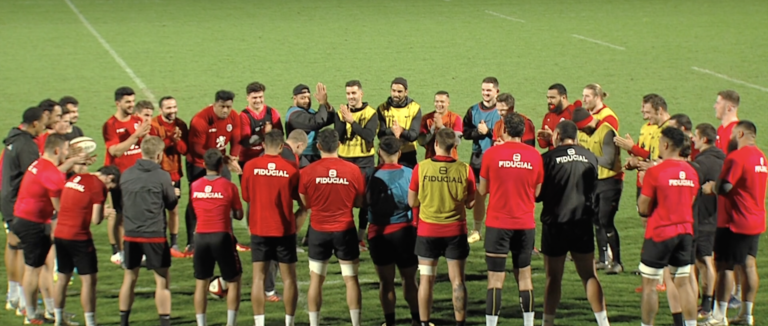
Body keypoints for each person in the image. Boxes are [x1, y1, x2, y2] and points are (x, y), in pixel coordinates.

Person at [537, 120, 610, 326]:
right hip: (582, 222)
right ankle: (603, 322)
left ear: (557, 135)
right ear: (576, 137)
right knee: (589, 275)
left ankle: (547, 323)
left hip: (555, 223)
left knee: (553, 277)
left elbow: (538, 194)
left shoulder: (547, 158)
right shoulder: (590, 157)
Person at [478, 113, 543, 326]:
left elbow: (483, 189)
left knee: (495, 279)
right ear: (523, 132)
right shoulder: (535, 156)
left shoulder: (491, 154)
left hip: (498, 224)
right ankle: (528, 324)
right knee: (524, 276)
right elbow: (537, 192)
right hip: (525, 224)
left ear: (504, 130)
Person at [408, 128, 476, 326]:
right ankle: (460, 323)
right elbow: (470, 203)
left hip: (428, 231)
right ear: (454, 147)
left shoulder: (421, 168)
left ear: (435, 144)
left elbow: (412, 202)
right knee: (457, 281)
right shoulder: (464, 169)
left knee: (426, 280)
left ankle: (424, 322)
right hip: (455, 231)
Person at [702, 121, 766, 326]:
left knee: (725, 267)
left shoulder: (737, 157)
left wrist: (712, 186)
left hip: (734, 221)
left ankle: (720, 316)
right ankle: (747, 315)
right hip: (755, 219)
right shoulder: (761, 157)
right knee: (748, 264)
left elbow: (726, 186)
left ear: (740, 133)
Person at [299, 129, 365, 326]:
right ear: (339, 145)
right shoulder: (353, 170)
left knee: (316, 281)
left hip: (318, 231)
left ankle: (314, 323)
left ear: (318, 146)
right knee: (351, 279)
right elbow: (360, 202)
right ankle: (356, 324)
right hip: (345, 231)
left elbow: (305, 203)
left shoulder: (307, 172)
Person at [637, 127, 699, 326]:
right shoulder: (692, 171)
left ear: (665, 145)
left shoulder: (655, 171)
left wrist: (644, 210)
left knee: (649, 285)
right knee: (683, 282)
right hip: (685, 232)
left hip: (660, 232)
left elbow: (644, 206)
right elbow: (690, 200)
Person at [117, 136, 178, 326]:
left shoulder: (126, 174)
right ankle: (164, 322)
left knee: (129, 278)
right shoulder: (162, 176)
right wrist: (174, 194)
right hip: (154, 236)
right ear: (159, 155)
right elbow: (170, 204)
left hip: (131, 234)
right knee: (162, 281)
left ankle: (124, 321)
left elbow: (121, 204)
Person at [242, 131, 301, 326]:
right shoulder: (291, 168)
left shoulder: (250, 166)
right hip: (283, 229)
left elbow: (247, 197)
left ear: (264, 145)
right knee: (289, 279)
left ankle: (259, 323)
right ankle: (289, 322)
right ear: (281, 146)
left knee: (258, 277)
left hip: (259, 228)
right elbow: (299, 199)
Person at [53, 166, 121, 326]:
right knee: (89, 280)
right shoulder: (98, 187)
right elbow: (96, 220)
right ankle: (90, 322)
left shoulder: (74, 179)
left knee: (62, 278)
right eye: (111, 187)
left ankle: (58, 319)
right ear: (110, 178)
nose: (109, 190)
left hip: (60, 233)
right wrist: (103, 213)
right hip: (79, 237)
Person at [12, 134, 69, 324]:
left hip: (24, 219)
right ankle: (31, 314)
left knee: (43, 266)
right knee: (33, 269)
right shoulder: (50, 173)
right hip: (33, 224)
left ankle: (47, 311)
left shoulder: (38, 165)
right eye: (66, 149)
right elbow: (61, 207)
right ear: (57, 150)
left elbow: (52, 178)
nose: (67, 153)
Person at [366, 136, 419, 326]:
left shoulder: (372, 175)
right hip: (405, 232)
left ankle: (390, 323)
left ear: (380, 152)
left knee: (386, 282)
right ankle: (416, 320)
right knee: (410, 279)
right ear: (399, 153)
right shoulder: (410, 173)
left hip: (379, 233)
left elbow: (364, 203)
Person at [190, 149, 244, 326]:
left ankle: (201, 324)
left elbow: (194, 211)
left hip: (201, 237)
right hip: (222, 236)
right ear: (222, 166)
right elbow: (239, 215)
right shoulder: (229, 187)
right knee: (234, 280)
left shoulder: (194, 186)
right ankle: (230, 323)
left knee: (201, 283)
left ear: (204, 165)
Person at [186, 90, 242, 255]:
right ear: (214, 104)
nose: (225, 110)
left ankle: (230, 238)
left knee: (226, 199)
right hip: (199, 163)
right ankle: (191, 242)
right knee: (195, 201)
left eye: (228, 107)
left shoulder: (234, 117)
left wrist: (233, 157)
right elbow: (197, 148)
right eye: (222, 106)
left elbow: (236, 139)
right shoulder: (200, 120)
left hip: (220, 161)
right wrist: (221, 160)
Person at [1, 107, 46, 315]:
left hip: (7, 198)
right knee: (28, 255)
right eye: (44, 122)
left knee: (12, 246)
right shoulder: (27, 145)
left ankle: (14, 296)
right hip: (19, 204)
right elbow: (35, 176)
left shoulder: (12, 139)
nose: (45, 126)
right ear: (35, 123)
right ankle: (25, 304)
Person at [572, 107, 624, 274]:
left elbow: (608, 161)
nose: (582, 133)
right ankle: (603, 259)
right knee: (595, 220)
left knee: (606, 220)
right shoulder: (582, 133)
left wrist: (586, 154)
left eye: (582, 129)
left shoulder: (607, 132)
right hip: (592, 181)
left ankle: (617, 262)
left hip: (610, 181)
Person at [102, 86, 149, 265]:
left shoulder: (138, 120)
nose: (131, 105)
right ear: (117, 103)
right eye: (127, 102)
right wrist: (135, 136)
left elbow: (145, 146)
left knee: (139, 215)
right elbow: (115, 151)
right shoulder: (110, 125)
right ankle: (122, 253)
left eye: (132, 101)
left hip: (138, 176)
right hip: (119, 178)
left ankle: (138, 251)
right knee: (121, 217)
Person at [334, 80, 379, 251]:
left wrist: (352, 121)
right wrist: (345, 121)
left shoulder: (371, 113)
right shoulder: (340, 113)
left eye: (353, 93)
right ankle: (345, 236)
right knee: (344, 201)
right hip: (344, 160)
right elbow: (339, 136)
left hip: (364, 161)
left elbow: (368, 136)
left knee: (365, 202)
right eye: (348, 94)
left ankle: (360, 238)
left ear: (361, 94)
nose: (350, 97)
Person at [690, 123, 725, 319]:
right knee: (705, 261)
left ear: (704, 139)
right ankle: (707, 303)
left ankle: (706, 305)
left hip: (703, 218)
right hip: (719, 217)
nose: (693, 140)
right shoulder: (724, 159)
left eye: (696, 136)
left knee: (704, 261)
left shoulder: (702, 163)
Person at [462, 77, 500, 244]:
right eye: (483, 90)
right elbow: (466, 132)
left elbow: (510, 132)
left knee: (499, 196)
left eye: (489, 90)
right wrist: (480, 133)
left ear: (496, 92)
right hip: (478, 158)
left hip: (499, 158)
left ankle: (497, 228)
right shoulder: (472, 111)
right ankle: (477, 230)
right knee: (479, 195)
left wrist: (489, 132)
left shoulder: (503, 111)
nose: (485, 93)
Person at [150, 96, 189, 257]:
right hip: (157, 173)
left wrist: (176, 141)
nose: (172, 111)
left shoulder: (180, 124)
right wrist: (169, 139)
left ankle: (174, 244)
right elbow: (153, 149)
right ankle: (158, 242)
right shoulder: (153, 125)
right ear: (161, 110)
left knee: (173, 209)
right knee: (156, 210)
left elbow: (185, 150)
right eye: (168, 108)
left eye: (174, 107)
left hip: (174, 173)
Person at [285, 83, 334, 168]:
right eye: (303, 98)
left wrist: (326, 103)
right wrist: (321, 104)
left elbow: (330, 119)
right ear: (294, 98)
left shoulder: (308, 112)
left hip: (313, 155)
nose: (307, 101)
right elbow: (317, 123)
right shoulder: (294, 115)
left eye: (308, 97)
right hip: (301, 156)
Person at [376, 77, 422, 168]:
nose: (396, 94)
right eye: (393, 91)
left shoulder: (414, 108)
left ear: (406, 92)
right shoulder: (382, 108)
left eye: (399, 91)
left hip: (408, 155)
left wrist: (401, 131)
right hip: (387, 154)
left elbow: (414, 135)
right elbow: (380, 135)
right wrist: (392, 130)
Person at [239, 81, 283, 169]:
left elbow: (280, 135)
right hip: (248, 160)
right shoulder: (243, 116)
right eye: (254, 98)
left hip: (268, 158)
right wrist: (264, 133)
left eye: (261, 97)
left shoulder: (272, 112)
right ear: (247, 98)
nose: (258, 100)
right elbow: (246, 142)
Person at [418, 90, 463, 160]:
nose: (439, 104)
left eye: (442, 102)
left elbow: (457, 141)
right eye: (436, 101)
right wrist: (433, 129)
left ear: (448, 103)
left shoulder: (456, 118)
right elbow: (421, 141)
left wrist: (441, 127)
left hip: (450, 161)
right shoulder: (426, 118)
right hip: (431, 160)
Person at [537, 83, 580, 150]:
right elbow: (542, 145)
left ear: (563, 97)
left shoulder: (573, 113)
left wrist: (552, 138)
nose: (549, 101)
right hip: (553, 156)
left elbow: (576, 141)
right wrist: (543, 138)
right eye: (548, 98)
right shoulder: (548, 116)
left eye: (552, 98)